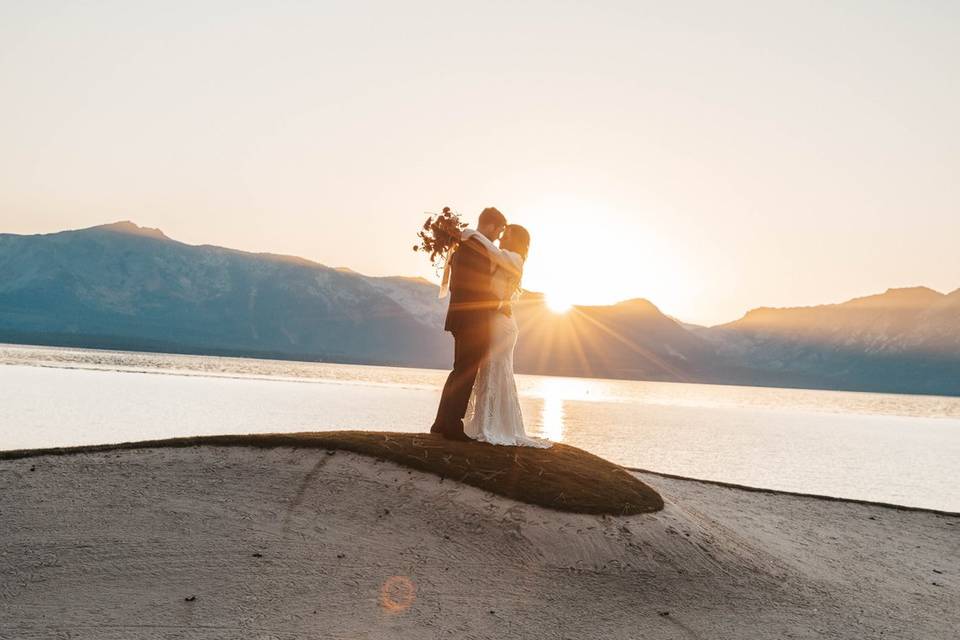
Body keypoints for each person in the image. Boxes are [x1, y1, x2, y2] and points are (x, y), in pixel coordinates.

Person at [460, 224, 551, 448]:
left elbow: (493, 251)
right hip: (496, 319)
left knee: (494, 370)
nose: (501, 236)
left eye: (506, 233)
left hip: (502, 324)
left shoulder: (514, 258)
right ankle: (487, 423)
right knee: (489, 370)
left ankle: (492, 426)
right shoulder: (507, 258)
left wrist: (472, 233)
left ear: (515, 239)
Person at [430, 207, 506, 440]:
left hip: (461, 317)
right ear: (491, 226)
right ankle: (451, 424)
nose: (499, 237)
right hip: (473, 320)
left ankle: (442, 423)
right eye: (499, 231)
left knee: (459, 370)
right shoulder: (476, 248)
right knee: (466, 371)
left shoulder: (465, 245)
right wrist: (497, 303)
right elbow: (470, 285)